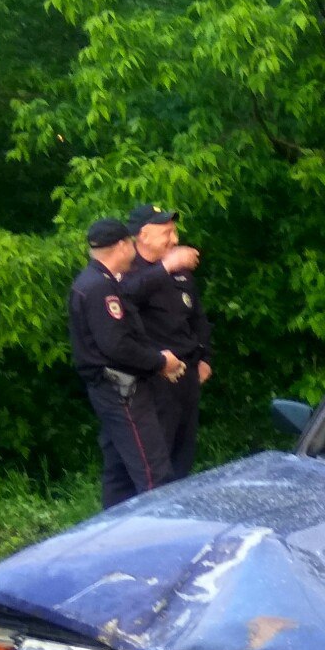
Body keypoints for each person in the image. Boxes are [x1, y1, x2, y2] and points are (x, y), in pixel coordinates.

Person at [69, 218, 183, 508]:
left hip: (111, 390)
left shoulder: (93, 282)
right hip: (122, 392)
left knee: (119, 473)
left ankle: (115, 536)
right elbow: (117, 345)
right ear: (121, 245)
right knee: (154, 473)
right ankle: (164, 541)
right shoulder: (100, 289)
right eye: (130, 243)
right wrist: (160, 362)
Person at [120, 204, 213, 477]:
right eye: (167, 233)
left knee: (184, 450)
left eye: (174, 232)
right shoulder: (129, 269)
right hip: (156, 377)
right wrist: (165, 267)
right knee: (159, 452)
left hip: (189, 373)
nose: (175, 240)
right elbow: (126, 298)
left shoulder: (181, 271)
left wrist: (206, 356)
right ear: (143, 235)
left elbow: (197, 317)